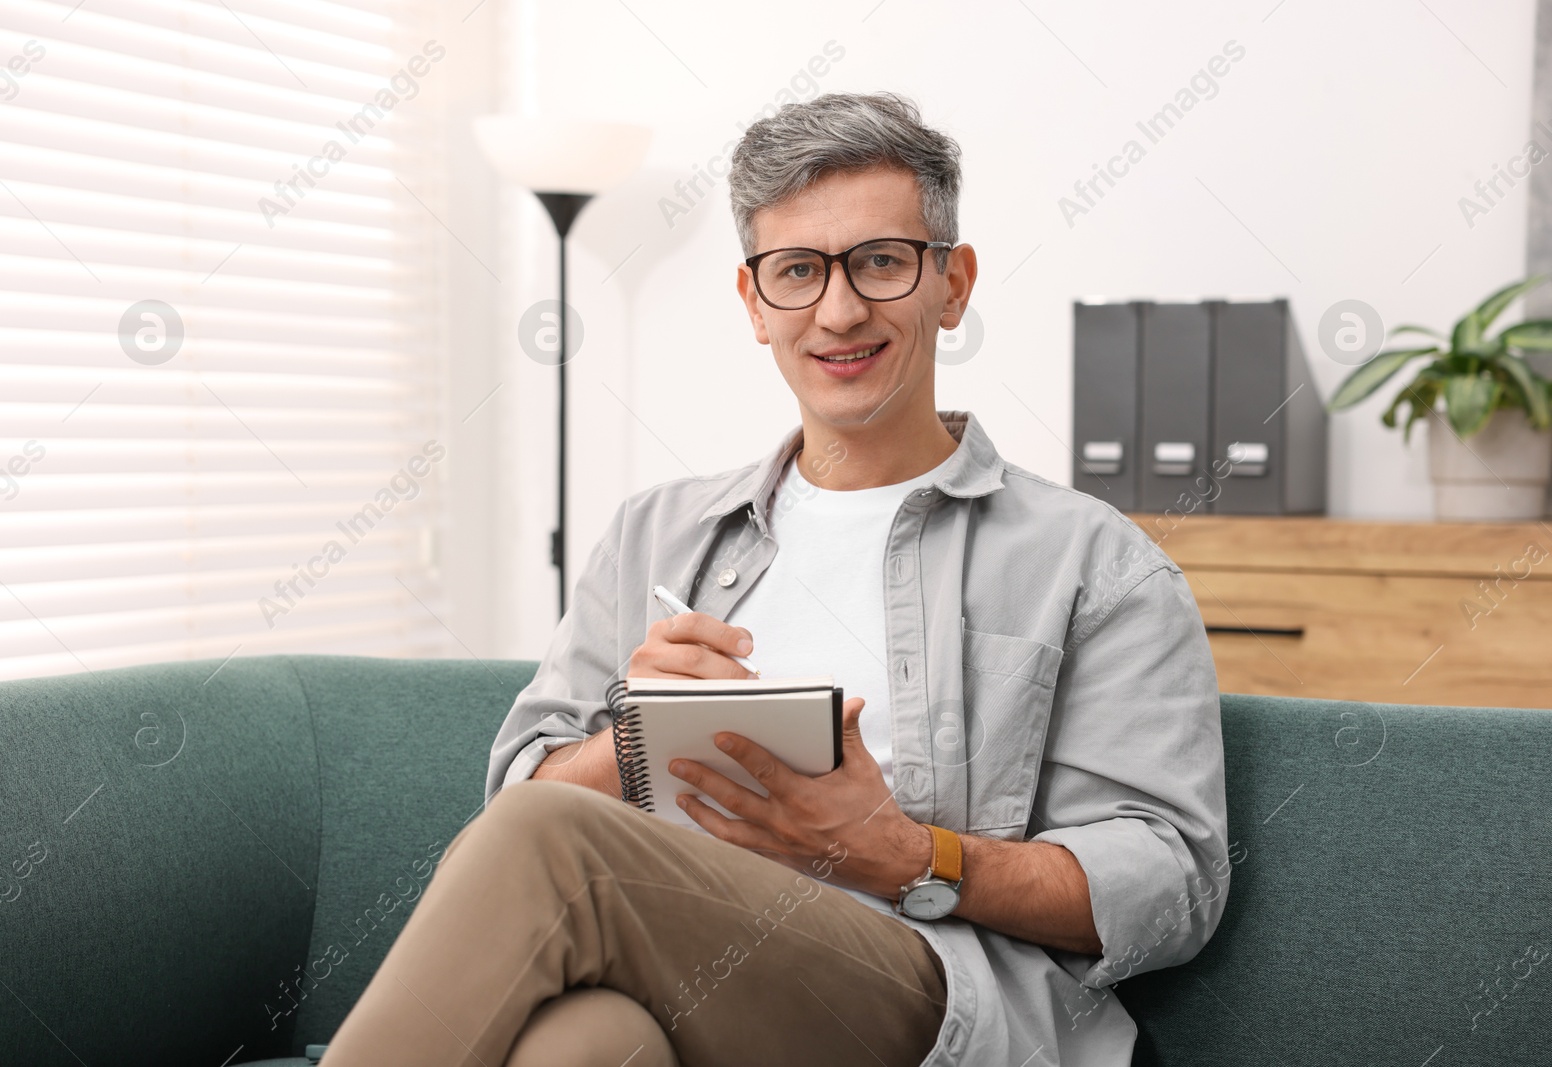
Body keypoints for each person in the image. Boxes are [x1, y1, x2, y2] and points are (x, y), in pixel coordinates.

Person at [321, 91, 1229, 1067]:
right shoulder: (656, 534)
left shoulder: (1095, 562)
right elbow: (518, 796)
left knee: (556, 840)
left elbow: (1169, 881)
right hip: (693, 985)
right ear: (756, 303)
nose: (838, 310)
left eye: (879, 261)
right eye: (797, 271)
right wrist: (632, 738)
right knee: (585, 1043)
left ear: (951, 284)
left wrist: (909, 854)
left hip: (934, 995)